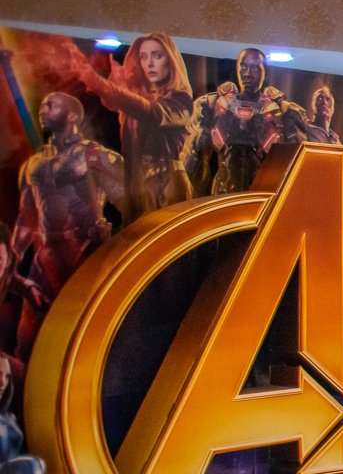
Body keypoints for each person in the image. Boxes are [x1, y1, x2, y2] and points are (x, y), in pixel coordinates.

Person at [11, 93, 126, 349]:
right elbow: (26, 218)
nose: (42, 110)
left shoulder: (92, 155)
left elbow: (129, 201)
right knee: (29, 338)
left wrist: (119, 246)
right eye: (42, 105)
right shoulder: (34, 164)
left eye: (50, 105)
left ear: (72, 115)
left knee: (88, 334)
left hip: (84, 253)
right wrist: (13, 258)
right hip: (45, 258)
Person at [70, 31, 195, 218]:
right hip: (138, 183)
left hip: (166, 186)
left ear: (170, 61)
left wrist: (97, 82)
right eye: (143, 57)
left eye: (157, 56)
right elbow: (119, 103)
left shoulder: (180, 100)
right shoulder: (140, 99)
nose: (149, 63)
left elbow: (150, 111)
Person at [194, 47, 307, 195]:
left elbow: (297, 157)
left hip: (259, 190)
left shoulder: (276, 109)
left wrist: (284, 105)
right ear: (237, 69)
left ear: (264, 72)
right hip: (223, 187)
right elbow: (196, 153)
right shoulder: (217, 103)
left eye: (255, 69)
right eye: (243, 67)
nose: (248, 74)